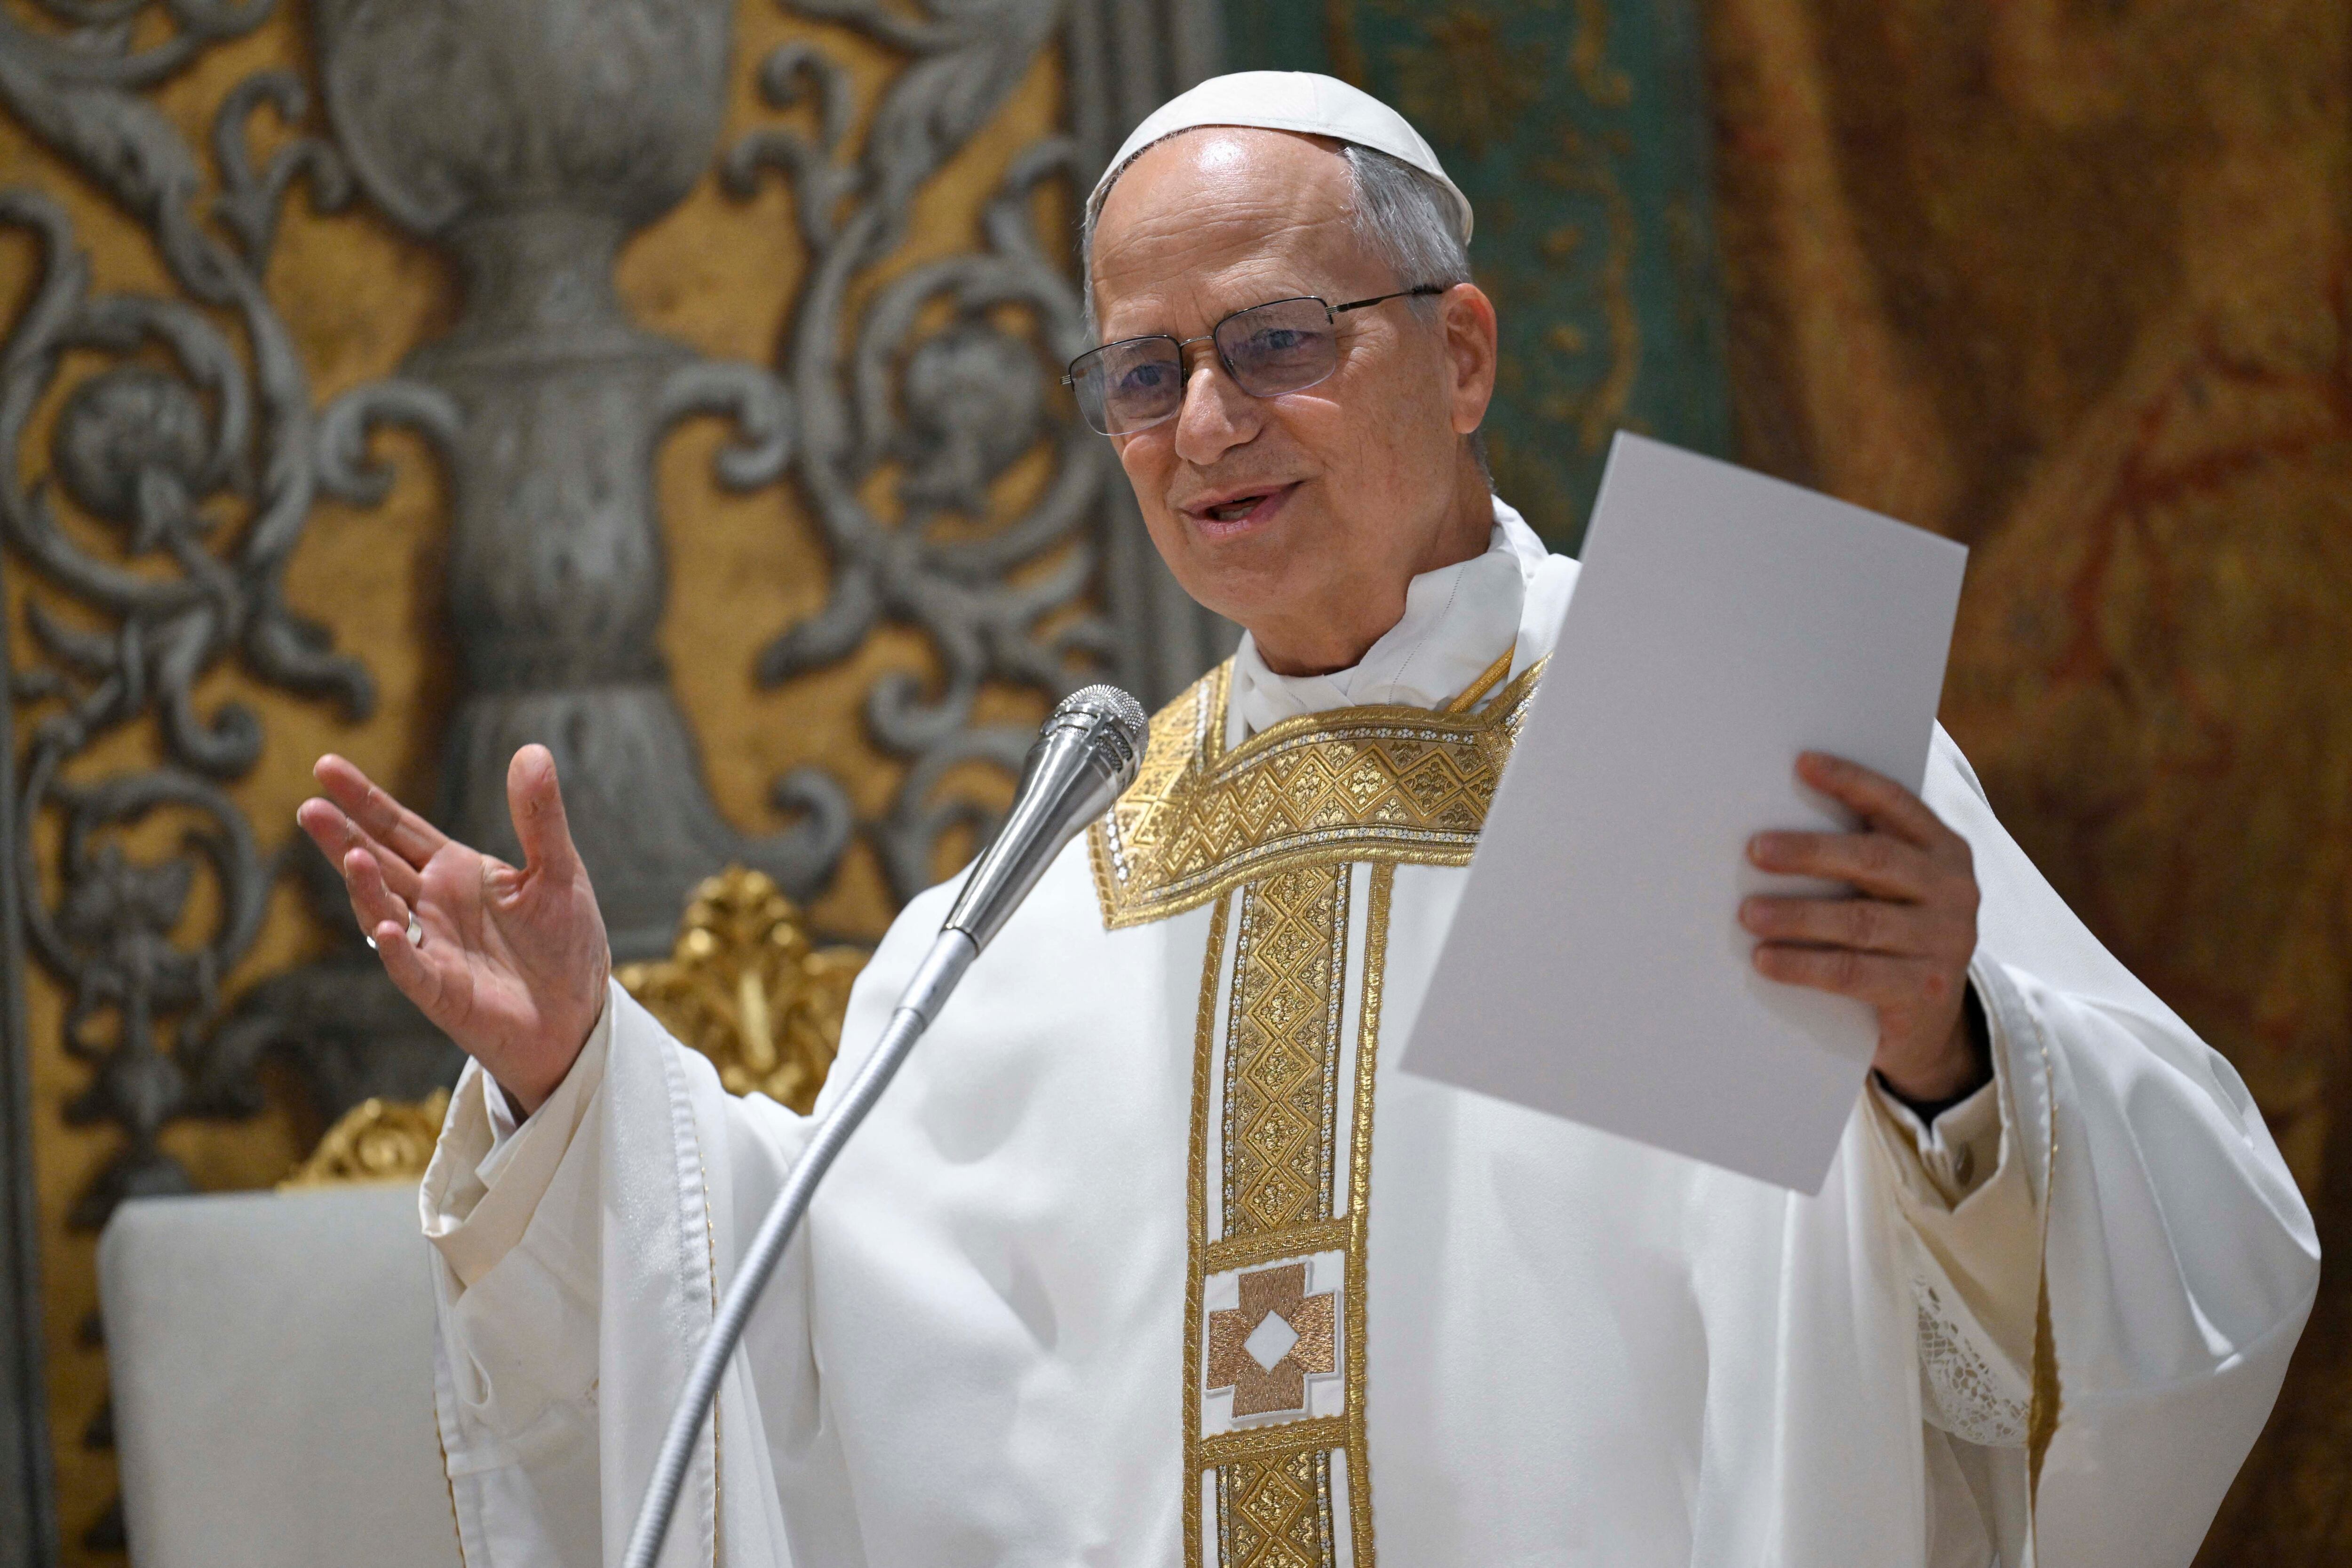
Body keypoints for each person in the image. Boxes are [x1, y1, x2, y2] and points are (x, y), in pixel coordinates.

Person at [299, 72, 2314, 1568]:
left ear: (1455, 348)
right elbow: (806, 1343)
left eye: (1272, 344)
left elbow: (2191, 1236)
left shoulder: (1716, 729)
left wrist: (1942, 1056)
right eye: (1142, 373)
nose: (1203, 429)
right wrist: (577, 1076)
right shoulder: (1061, 871)